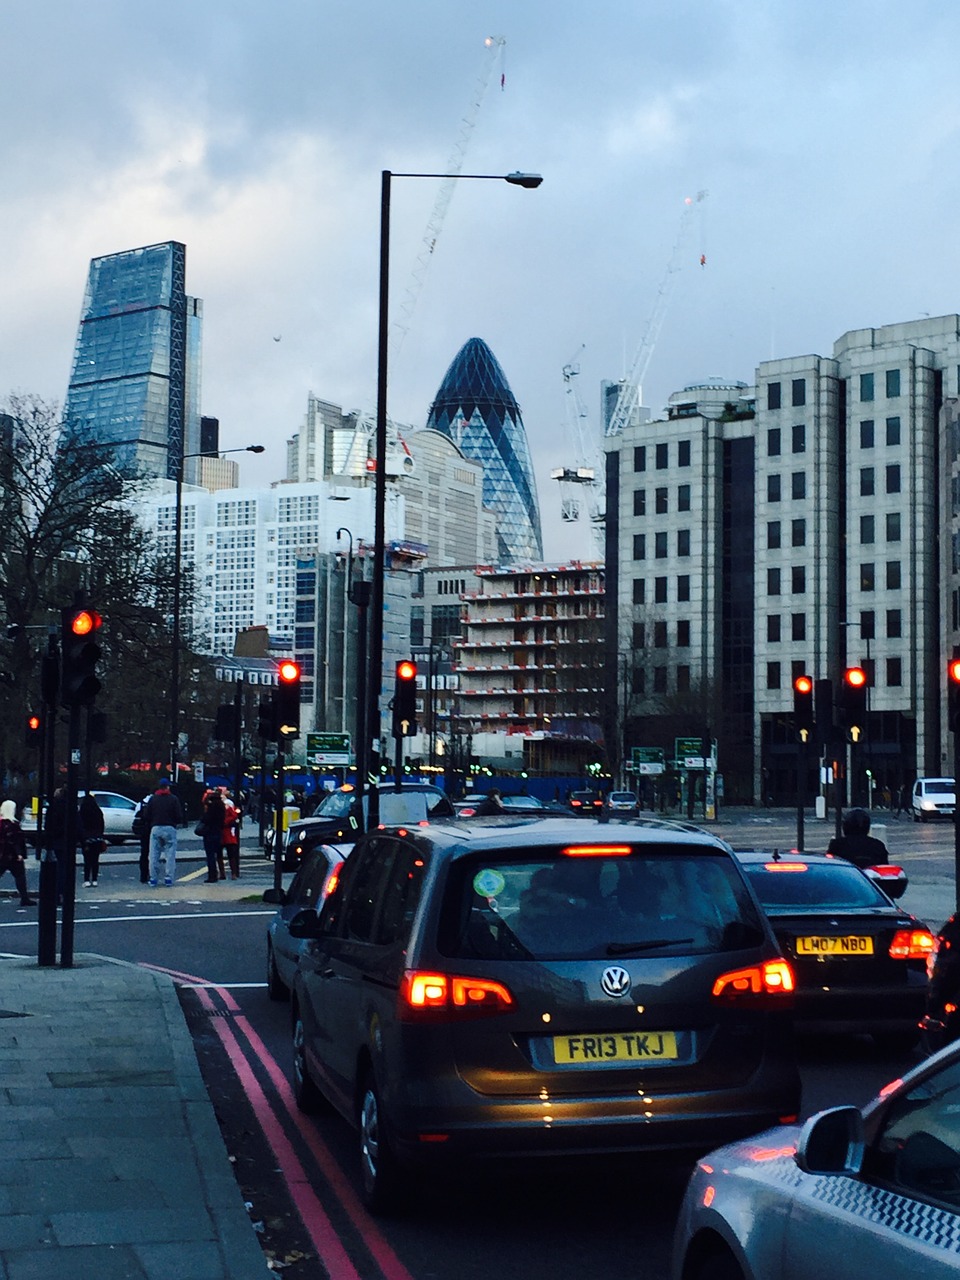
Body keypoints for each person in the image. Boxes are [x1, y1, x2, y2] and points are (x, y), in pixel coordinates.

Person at [142, 777, 184, 887]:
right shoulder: (173, 799)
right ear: (168, 787)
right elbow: (179, 816)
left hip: (156, 827)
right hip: (170, 828)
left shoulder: (153, 799)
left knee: (153, 855)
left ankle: (153, 878)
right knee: (170, 855)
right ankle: (168, 878)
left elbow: (146, 815)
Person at [0, 801, 36, 906]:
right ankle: (24, 898)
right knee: (20, 876)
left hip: (2, 854)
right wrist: (19, 853)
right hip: (12, 856)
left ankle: (25, 898)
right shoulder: (12, 824)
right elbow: (14, 841)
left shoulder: (2, 823)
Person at [78, 792, 106, 887]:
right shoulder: (98, 811)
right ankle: (94, 879)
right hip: (97, 838)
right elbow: (102, 825)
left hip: (86, 839)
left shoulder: (82, 812)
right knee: (95, 860)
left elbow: (80, 826)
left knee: (87, 860)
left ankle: (86, 880)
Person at [200, 788, 226, 882]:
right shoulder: (221, 806)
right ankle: (221, 873)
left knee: (210, 855)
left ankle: (212, 875)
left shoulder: (210, 807)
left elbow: (205, 819)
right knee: (218, 854)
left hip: (209, 832)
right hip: (218, 832)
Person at [221, 790, 241, 879]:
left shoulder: (225, 807)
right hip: (228, 833)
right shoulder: (228, 807)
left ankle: (223, 873)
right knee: (231, 855)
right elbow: (235, 816)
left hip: (224, 832)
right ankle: (233, 873)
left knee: (220, 855)